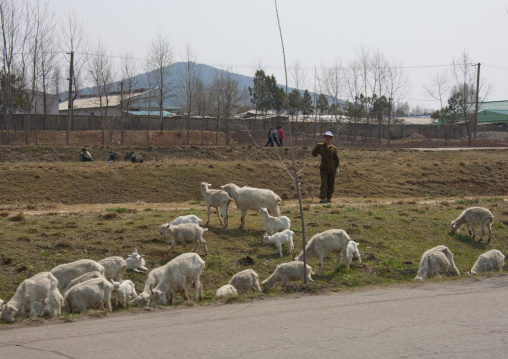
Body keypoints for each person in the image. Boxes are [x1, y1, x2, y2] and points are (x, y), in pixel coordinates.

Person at [312, 131, 340, 203]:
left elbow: (336, 158)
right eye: (326, 137)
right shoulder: (320, 146)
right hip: (323, 169)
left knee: (331, 184)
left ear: (331, 139)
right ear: (324, 138)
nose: (327, 139)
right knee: (324, 183)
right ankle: (322, 197)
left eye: (329, 137)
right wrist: (318, 155)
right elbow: (313, 152)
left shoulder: (333, 148)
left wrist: (337, 167)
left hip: (332, 169)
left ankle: (329, 197)